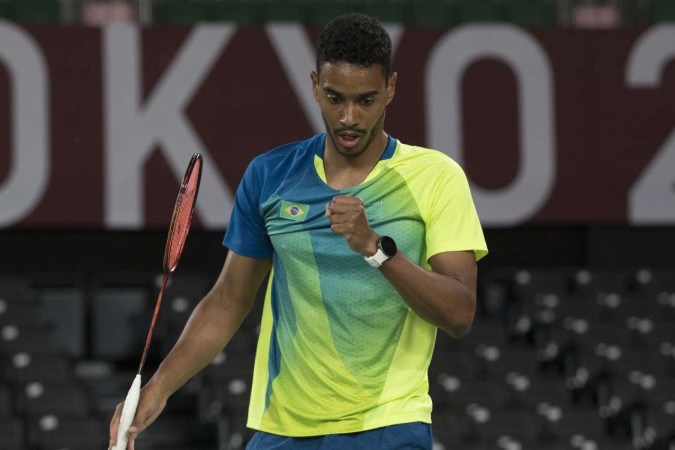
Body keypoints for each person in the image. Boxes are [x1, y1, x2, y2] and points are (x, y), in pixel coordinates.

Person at [109, 12, 487, 450]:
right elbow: (229, 300)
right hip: (282, 428)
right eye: (334, 97)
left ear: (390, 89)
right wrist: (157, 390)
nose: (348, 118)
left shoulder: (435, 178)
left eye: (365, 100)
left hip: (388, 425)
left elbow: (460, 313)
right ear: (314, 85)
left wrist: (378, 250)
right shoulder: (270, 176)